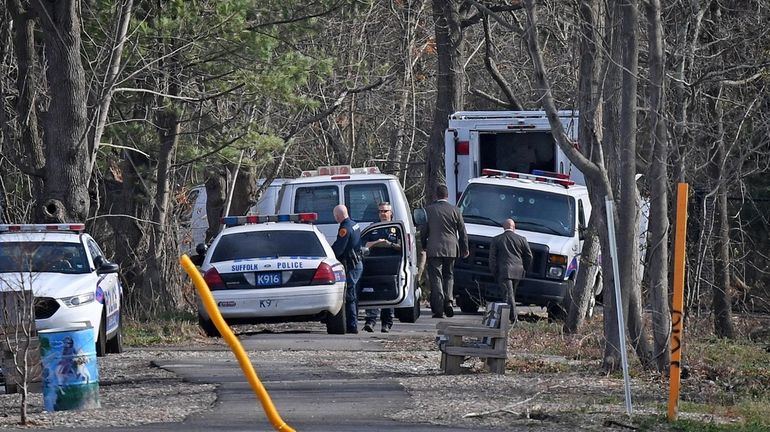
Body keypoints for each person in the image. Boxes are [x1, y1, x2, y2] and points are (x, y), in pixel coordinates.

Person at [421, 184, 469, 318]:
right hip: (451, 248)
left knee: (436, 277)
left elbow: (424, 231)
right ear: (447, 196)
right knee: (449, 275)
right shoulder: (456, 210)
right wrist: (465, 248)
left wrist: (424, 245)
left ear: (436, 195)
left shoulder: (429, 210)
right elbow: (462, 232)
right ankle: (449, 301)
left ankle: (439, 308)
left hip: (434, 248)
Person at [362, 202, 400, 333]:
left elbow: (402, 246)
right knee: (373, 294)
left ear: (391, 213)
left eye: (385, 211)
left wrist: (389, 244)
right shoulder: (373, 227)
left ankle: (386, 324)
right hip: (374, 265)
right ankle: (370, 322)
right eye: (381, 211)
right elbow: (363, 244)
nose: (383, 214)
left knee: (388, 295)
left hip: (391, 266)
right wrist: (376, 243)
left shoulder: (396, 228)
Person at [489, 219, 533, 324]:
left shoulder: (497, 239)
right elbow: (529, 256)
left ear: (503, 227)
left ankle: (513, 319)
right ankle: (508, 318)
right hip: (518, 271)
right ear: (514, 227)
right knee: (511, 294)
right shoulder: (522, 239)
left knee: (508, 295)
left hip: (504, 271)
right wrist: (524, 268)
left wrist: (494, 271)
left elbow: (492, 258)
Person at [331, 204, 363, 334]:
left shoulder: (345, 228)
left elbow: (339, 248)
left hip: (351, 265)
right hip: (357, 264)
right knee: (353, 295)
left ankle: (352, 326)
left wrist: (329, 254)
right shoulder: (354, 224)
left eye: (335, 216)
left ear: (338, 216)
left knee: (350, 296)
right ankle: (352, 323)